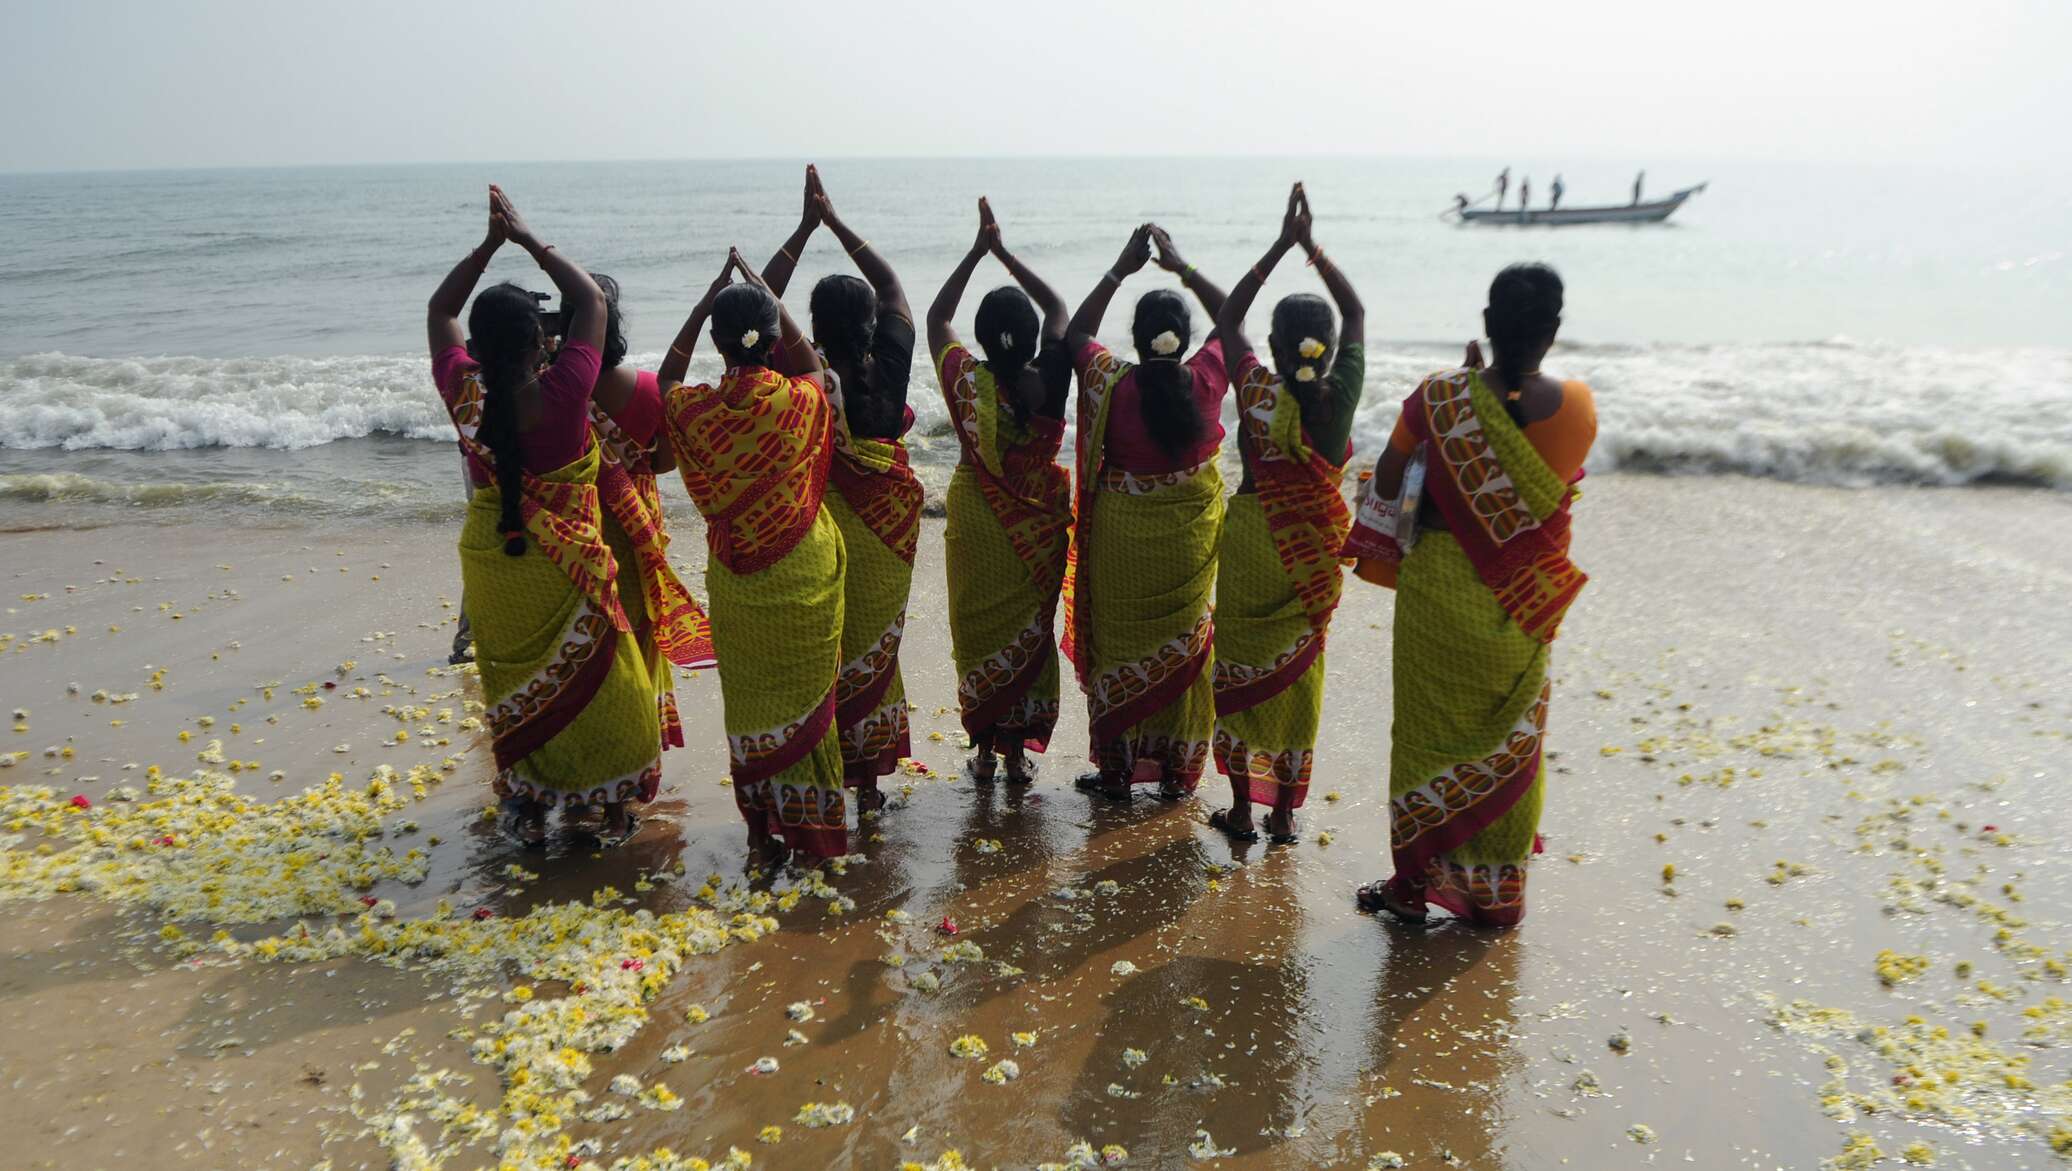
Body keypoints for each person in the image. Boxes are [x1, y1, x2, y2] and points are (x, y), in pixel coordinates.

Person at [1347, 263, 1597, 926]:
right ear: (1553, 330)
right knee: (1513, 745)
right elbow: (1543, 479)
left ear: (1486, 323)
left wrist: (1460, 399)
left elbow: (1389, 480)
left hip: (1437, 598)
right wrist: (1479, 406)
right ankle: (1497, 894)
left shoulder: (1437, 398)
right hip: (1521, 605)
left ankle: (1411, 889)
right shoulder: (1579, 406)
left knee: (1426, 741)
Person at [425, 186, 668, 848]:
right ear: (542, 343)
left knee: (515, 687)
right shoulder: (564, 391)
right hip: (571, 562)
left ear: (477, 347)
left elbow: (440, 309)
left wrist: (487, 247)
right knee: (606, 681)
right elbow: (591, 301)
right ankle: (612, 805)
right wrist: (527, 238)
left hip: (496, 562)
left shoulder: (463, 390)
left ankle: (530, 805)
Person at [659, 250, 846, 866]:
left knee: (751, 703)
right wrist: (771, 297)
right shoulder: (803, 399)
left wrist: (702, 306)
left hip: (738, 578)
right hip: (805, 568)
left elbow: (665, 382)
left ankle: (761, 836)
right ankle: (815, 831)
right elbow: (812, 365)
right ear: (771, 339)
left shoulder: (694, 411)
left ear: (718, 343)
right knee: (809, 705)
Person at [1205, 183, 1364, 846]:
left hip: (1251, 542)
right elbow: (1355, 311)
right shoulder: (1342, 394)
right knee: (1299, 679)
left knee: (1240, 669)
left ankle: (1243, 808)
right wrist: (1312, 248)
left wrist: (1279, 246)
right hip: (1312, 554)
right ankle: (1284, 815)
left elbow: (1227, 317)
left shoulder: (1255, 387)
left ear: (1272, 345)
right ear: (1328, 347)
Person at [760, 167, 921, 812]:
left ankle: (825, 765)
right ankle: (869, 783)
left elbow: (761, 301)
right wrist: (836, 223)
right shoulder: (893, 364)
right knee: (873, 649)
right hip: (889, 531)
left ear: (814, 326)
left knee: (827, 648)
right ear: (871, 321)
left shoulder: (803, 372)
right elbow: (893, 286)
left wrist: (804, 230)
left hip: (823, 526)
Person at [1063, 224, 1230, 801]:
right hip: (1187, 542)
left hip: (1122, 540)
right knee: (1185, 648)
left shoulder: (1111, 382)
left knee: (1119, 648)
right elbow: (1232, 320)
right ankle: (1178, 774)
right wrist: (1182, 268)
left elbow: (1076, 333)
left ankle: (1116, 771)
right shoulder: (1207, 378)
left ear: (1136, 339)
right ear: (1185, 338)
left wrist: (1119, 269)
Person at [926, 197, 1074, 785]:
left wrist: (976, 252)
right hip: (1036, 522)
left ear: (984, 339)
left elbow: (937, 318)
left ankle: (986, 752)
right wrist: (1006, 254)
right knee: (1028, 630)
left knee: (978, 629)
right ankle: (1016, 759)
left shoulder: (966, 378)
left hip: (977, 518)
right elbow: (1058, 306)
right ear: (1033, 337)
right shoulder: (1053, 376)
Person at [579, 274, 717, 779]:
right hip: (636, 521)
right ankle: (638, 752)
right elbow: (662, 463)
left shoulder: (555, 389)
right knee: (637, 632)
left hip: (579, 522)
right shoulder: (642, 389)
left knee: (592, 640)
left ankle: (592, 752)